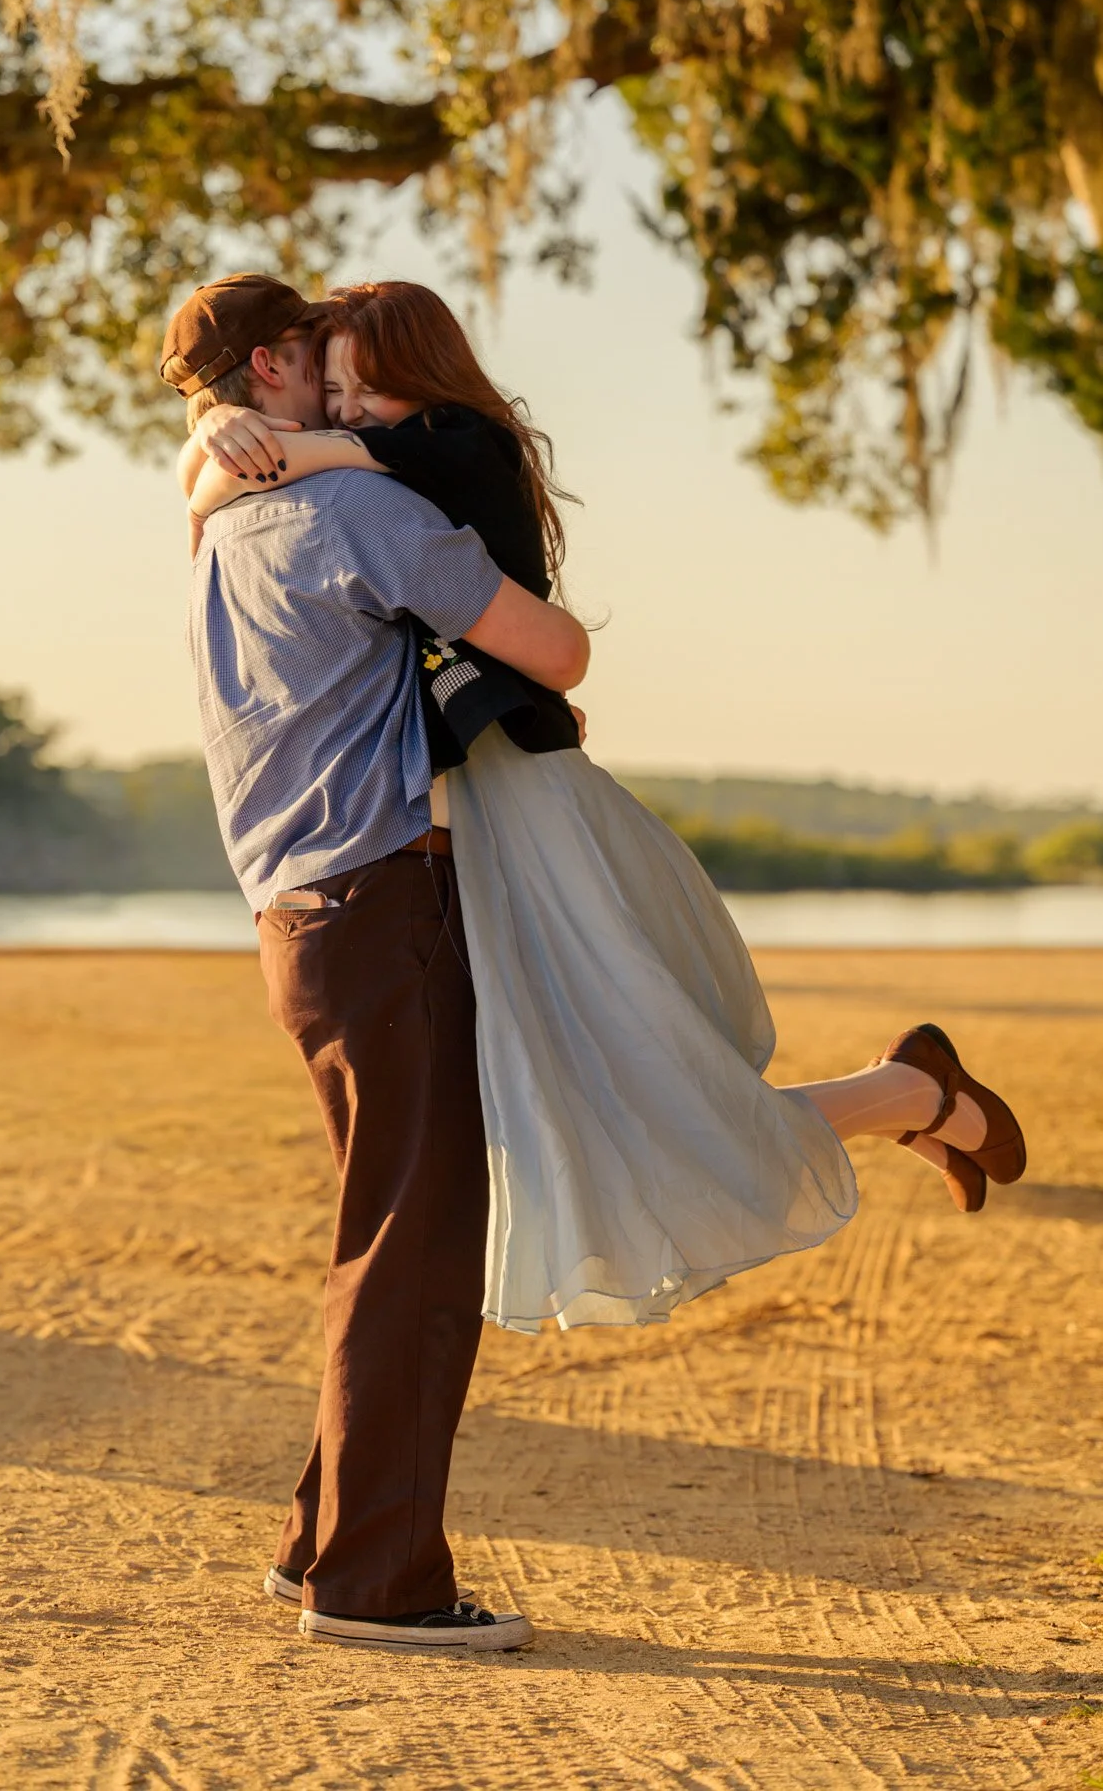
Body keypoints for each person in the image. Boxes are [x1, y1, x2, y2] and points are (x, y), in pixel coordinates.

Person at [182, 278, 1028, 1345]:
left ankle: (911, 1092)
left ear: (411, 377)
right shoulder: (364, 472)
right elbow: (228, 483)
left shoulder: (448, 444)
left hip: (516, 803)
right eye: (332, 387)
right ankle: (912, 1092)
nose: (343, 411)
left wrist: (231, 439)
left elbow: (323, 491)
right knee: (598, 1110)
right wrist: (220, 429)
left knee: (635, 1099)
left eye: (357, 388)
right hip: (469, 812)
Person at [161, 271, 592, 1655]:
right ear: (283, 360)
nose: (340, 397)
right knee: (415, 1253)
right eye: (322, 373)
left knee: (377, 1240)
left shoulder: (218, 530)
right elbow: (560, 648)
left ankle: (318, 1546)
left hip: (291, 918)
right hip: (386, 903)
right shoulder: (360, 509)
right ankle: (380, 1582)